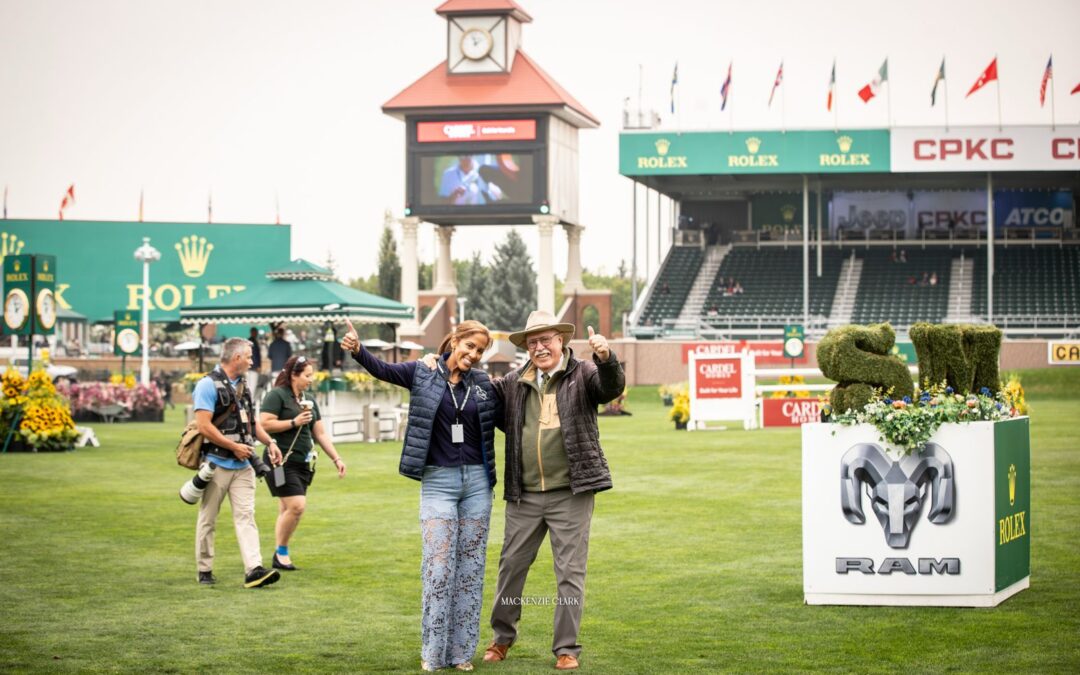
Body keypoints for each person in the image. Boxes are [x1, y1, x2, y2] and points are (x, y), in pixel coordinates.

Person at [341, 318, 500, 672]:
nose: (473, 355)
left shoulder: (482, 384)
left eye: (480, 351)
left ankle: (461, 653)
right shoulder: (422, 372)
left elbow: (510, 409)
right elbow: (382, 370)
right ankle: (433, 652)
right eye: (469, 346)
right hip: (438, 484)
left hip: (477, 484)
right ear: (454, 340)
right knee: (439, 568)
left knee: (471, 570)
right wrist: (358, 350)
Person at [481, 310, 625, 672]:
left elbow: (611, 388)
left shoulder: (584, 373)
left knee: (569, 573)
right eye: (533, 342)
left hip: (571, 493)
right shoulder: (513, 382)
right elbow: (479, 392)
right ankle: (501, 639)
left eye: (546, 339)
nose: (540, 347)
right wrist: (441, 363)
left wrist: (606, 357)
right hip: (524, 494)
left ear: (561, 341)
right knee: (511, 567)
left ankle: (566, 648)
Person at [191, 337, 282, 588]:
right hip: (216, 464)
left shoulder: (243, 385)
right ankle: (204, 568)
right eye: (249, 357)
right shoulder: (206, 385)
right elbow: (203, 426)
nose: (252, 361)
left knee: (246, 517)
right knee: (208, 518)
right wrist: (234, 447)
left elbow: (251, 422)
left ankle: (254, 570)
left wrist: (270, 442)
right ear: (237, 358)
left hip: (243, 466)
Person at [258, 355, 347, 571]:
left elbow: (320, 433)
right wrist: (293, 422)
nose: (311, 379)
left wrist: (336, 458)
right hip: (279, 462)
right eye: (307, 375)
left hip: (303, 464)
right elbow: (263, 424)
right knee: (297, 506)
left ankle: (279, 553)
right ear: (293, 375)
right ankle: (281, 552)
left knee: (286, 509)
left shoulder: (310, 399)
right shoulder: (277, 395)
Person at [247, 327, 263, 398]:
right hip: (253, 367)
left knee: (248, 385)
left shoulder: (247, 341)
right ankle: (251, 401)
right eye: (255, 332)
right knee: (252, 386)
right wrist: (258, 366)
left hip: (247, 367)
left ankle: (248, 400)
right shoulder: (253, 342)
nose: (256, 334)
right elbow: (255, 355)